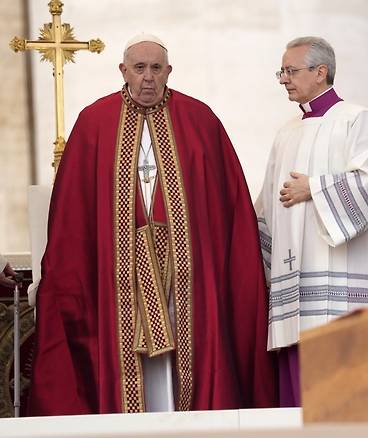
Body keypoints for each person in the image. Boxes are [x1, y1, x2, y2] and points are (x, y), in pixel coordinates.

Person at [28, 34, 277, 415]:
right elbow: (72, 213)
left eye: (156, 68)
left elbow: (227, 204)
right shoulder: (95, 122)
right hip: (119, 273)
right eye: (139, 68)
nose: (148, 78)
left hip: (187, 274)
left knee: (189, 344)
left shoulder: (199, 120)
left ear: (169, 71)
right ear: (123, 71)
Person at [255, 36, 368, 407]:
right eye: (282, 71)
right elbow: (266, 205)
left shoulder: (356, 120)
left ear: (320, 72)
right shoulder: (286, 132)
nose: (283, 79)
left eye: (290, 71)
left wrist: (315, 189)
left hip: (343, 279)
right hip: (295, 281)